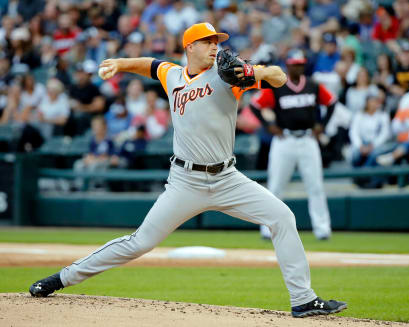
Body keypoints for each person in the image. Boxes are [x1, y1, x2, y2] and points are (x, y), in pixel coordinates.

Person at [28, 22, 347, 318]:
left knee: (282, 217)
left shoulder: (228, 77)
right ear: (189, 47)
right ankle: (61, 278)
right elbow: (150, 65)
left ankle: (303, 300)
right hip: (184, 182)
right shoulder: (173, 75)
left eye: (216, 41)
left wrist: (249, 71)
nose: (214, 47)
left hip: (227, 179)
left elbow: (277, 76)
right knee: (139, 242)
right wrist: (121, 63)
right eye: (207, 42)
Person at [250, 49, 335, 241]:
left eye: (300, 64)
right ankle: (268, 229)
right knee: (276, 186)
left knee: (315, 186)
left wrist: (322, 125)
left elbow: (332, 102)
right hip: (284, 140)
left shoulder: (312, 85)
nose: (297, 67)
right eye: (294, 64)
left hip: (307, 139)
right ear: (287, 65)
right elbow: (255, 106)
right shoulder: (278, 85)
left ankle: (322, 229)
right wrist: (268, 126)